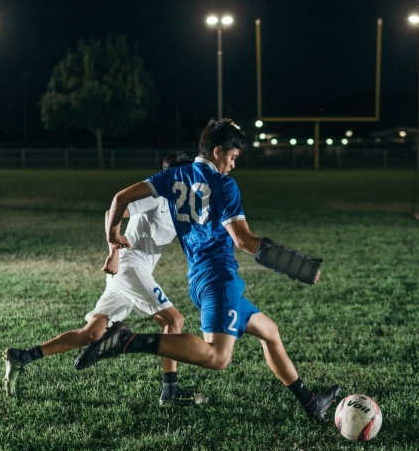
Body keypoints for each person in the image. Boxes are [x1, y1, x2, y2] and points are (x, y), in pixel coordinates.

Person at [75, 118, 340, 423]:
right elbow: (243, 240)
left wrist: (113, 235)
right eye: (232, 158)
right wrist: (298, 265)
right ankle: (125, 341)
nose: (233, 166)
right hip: (219, 278)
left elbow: (119, 199)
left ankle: (311, 403)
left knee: (270, 332)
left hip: (202, 278)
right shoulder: (223, 184)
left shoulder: (173, 175)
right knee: (218, 357)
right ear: (217, 151)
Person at [3, 152, 208, 407]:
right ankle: (170, 391)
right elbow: (112, 210)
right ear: (172, 174)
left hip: (130, 273)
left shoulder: (180, 204)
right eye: (184, 173)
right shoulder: (156, 196)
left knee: (92, 333)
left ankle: (23, 356)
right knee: (174, 321)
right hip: (129, 267)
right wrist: (113, 250)